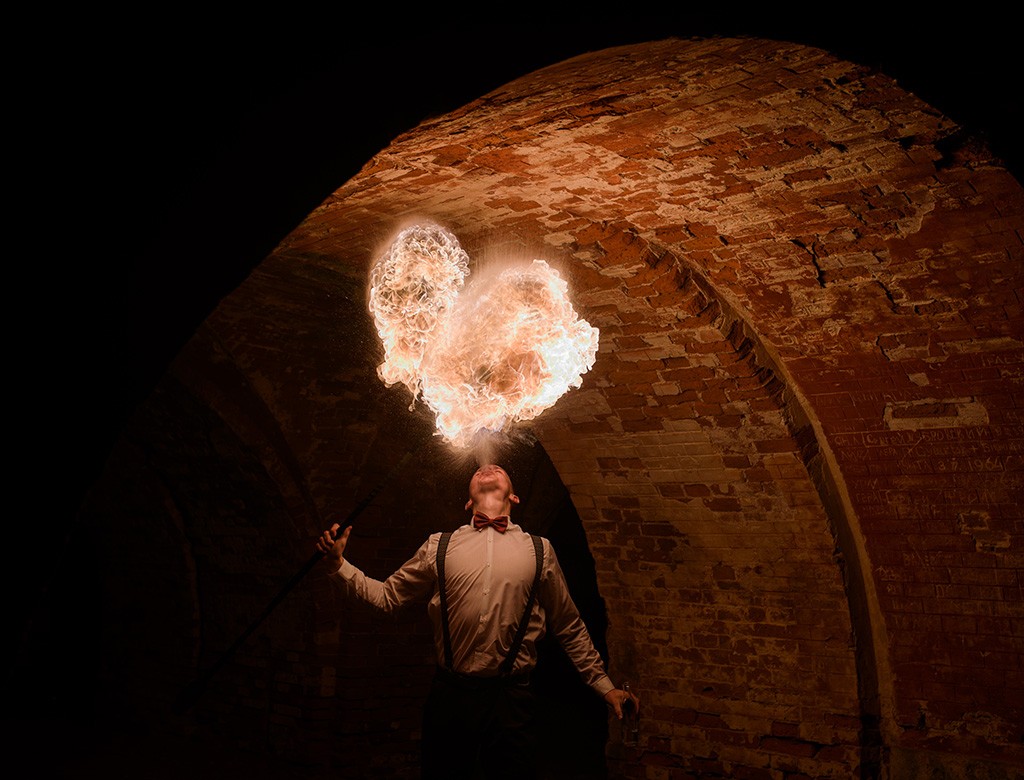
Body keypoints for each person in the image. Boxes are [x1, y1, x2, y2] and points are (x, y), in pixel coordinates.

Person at [316, 463, 638, 780]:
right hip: (451, 698)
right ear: (469, 502)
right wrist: (338, 565)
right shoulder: (438, 546)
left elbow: (568, 625)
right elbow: (387, 597)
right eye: (480, 470)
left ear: (514, 497)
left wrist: (604, 686)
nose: (488, 466)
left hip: (512, 701)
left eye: (500, 469)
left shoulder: (540, 551)